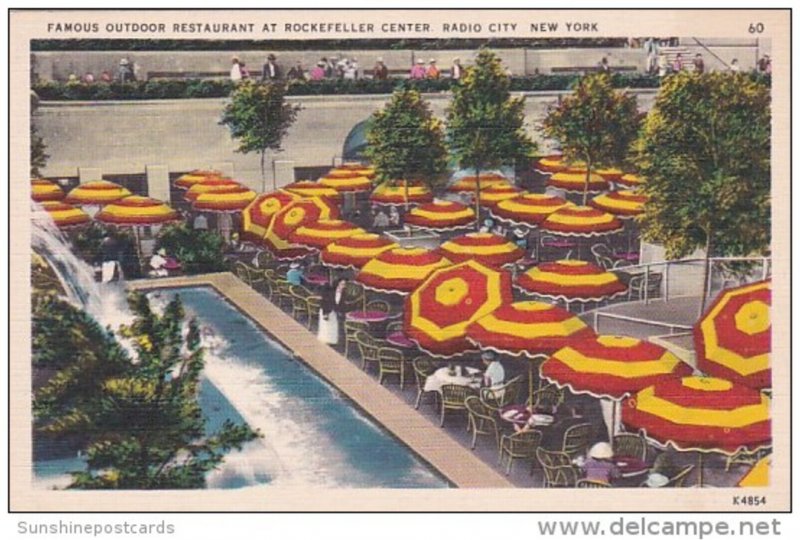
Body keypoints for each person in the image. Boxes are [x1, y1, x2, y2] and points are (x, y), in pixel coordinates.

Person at [318, 278, 346, 345]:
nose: (343, 286)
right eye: (342, 284)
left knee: (333, 327)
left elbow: (341, 304)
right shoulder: (330, 292)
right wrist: (325, 314)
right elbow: (324, 302)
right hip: (326, 310)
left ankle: (332, 342)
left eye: (344, 284)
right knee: (325, 327)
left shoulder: (343, 294)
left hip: (334, 311)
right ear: (338, 284)